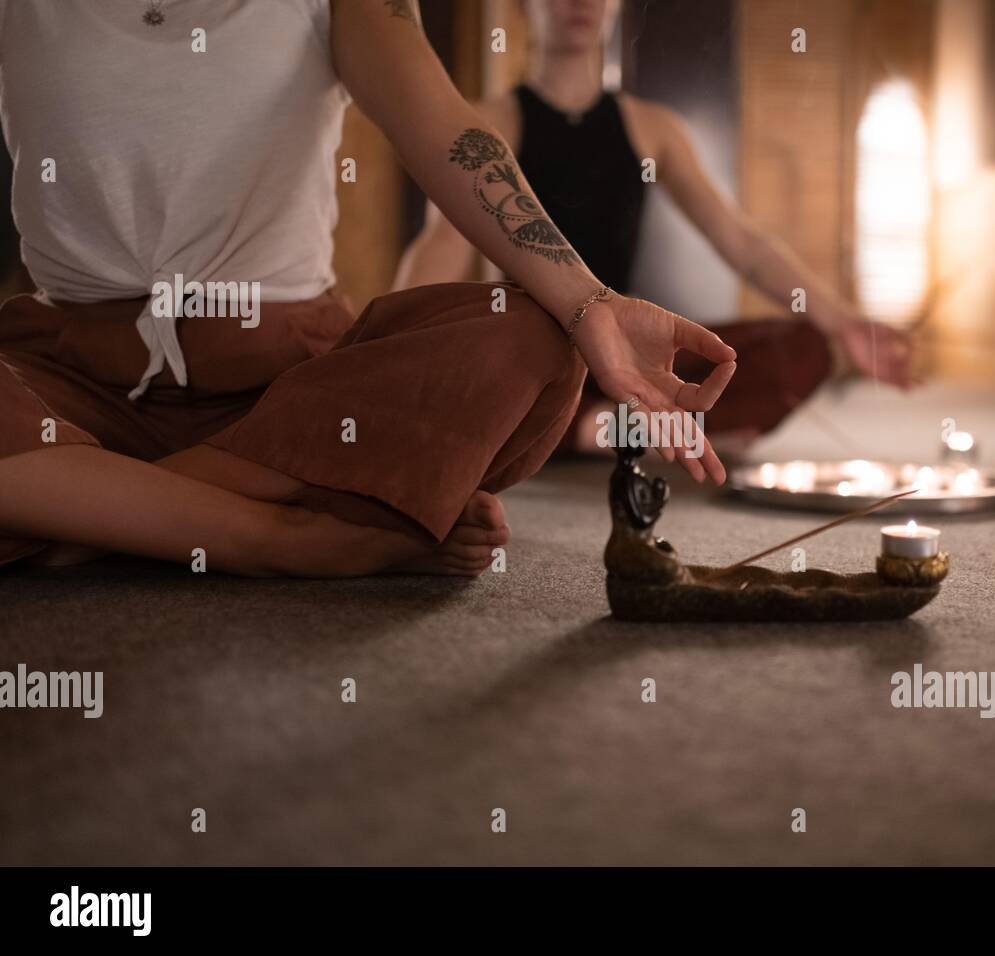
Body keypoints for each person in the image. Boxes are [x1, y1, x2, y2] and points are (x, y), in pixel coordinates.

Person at [0, 0, 736, 577]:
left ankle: (82, 508)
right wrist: (279, 533)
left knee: (536, 331)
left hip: (285, 391)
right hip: (70, 379)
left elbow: (444, 127)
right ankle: (272, 533)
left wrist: (590, 304)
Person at [394, 0, 912, 450]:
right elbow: (441, 243)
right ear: (526, 8)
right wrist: (390, 348)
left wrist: (844, 321)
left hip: (629, 350)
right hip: (532, 358)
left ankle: (607, 429)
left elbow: (740, 241)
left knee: (801, 349)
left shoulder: (652, 128)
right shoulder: (489, 123)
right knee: (478, 381)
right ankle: (615, 430)